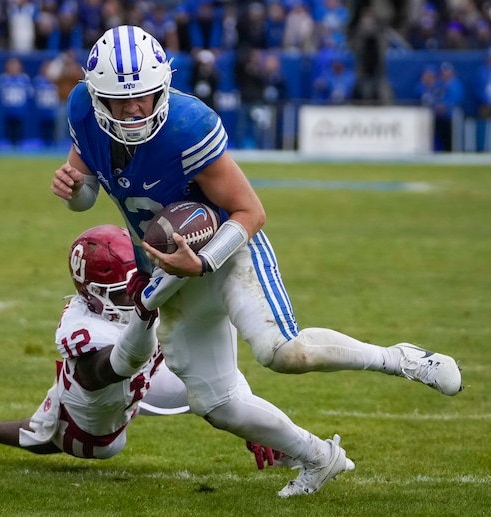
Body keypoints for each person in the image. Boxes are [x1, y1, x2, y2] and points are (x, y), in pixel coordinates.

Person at [51, 25, 463, 497]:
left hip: (228, 248)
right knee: (216, 403)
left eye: (144, 96)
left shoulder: (187, 125)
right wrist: (72, 190)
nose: (134, 109)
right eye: (120, 100)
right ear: (96, 96)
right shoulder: (83, 108)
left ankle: (402, 359)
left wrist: (203, 264)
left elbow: (252, 212)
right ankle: (319, 457)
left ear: (162, 86)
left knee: (282, 352)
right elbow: (84, 192)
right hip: (168, 272)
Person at [0, 224, 192, 458]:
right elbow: (120, 366)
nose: (134, 294)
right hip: (98, 415)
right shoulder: (85, 330)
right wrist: (145, 312)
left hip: (148, 375)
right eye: (122, 291)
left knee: (218, 392)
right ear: (93, 292)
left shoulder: (129, 288)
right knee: (62, 436)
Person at [0, 57, 33, 147]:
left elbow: (30, 92)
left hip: (20, 108)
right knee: (9, 127)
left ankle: (18, 145)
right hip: (8, 108)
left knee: (18, 127)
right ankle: (9, 144)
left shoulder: (24, 78)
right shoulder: (3, 78)